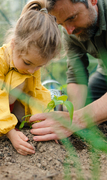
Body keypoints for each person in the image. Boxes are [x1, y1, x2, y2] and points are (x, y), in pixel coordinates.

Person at [0, 9, 61, 155]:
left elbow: (36, 93)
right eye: (27, 62)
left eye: (39, 66)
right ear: (14, 45)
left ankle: (15, 118)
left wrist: (43, 123)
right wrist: (10, 132)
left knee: (34, 92)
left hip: (14, 101)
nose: (32, 70)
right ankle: (6, 123)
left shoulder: (32, 67)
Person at [21, 0, 107, 141]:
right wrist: (72, 117)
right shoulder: (70, 32)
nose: (69, 31)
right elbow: (76, 75)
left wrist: (78, 120)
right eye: (61, 24)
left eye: (72, 18)